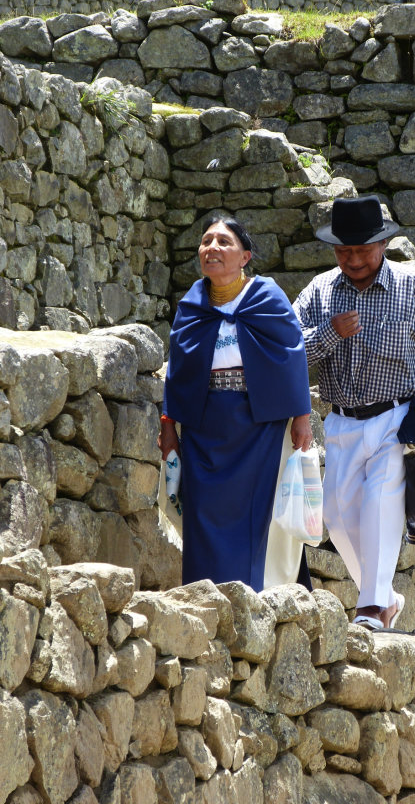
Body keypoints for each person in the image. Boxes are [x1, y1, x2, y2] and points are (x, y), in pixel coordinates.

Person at [293, 195, 415, 629]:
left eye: (361, 249)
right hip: (340, 421)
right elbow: (289, 350)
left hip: (399, 419)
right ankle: (386, 597)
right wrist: (330, 334)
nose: (352, 259)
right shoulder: (319, 291)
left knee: (379, 501)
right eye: (343, 250)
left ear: (384, 245)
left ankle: (370, 606)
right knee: (335, 519)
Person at [159, 217, 313, 591]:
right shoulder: (192, 306)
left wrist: (302, 417)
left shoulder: (267, 297)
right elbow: (177, 373)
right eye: (206, 241)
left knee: (257, 519)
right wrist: (168, 429)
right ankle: (207, 601)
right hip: (204, 431)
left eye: (223, 242)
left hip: (258, 428)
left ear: (244, 256)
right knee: (202, 517)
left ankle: (258, 599)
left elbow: (293, 354)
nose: (211, 248)